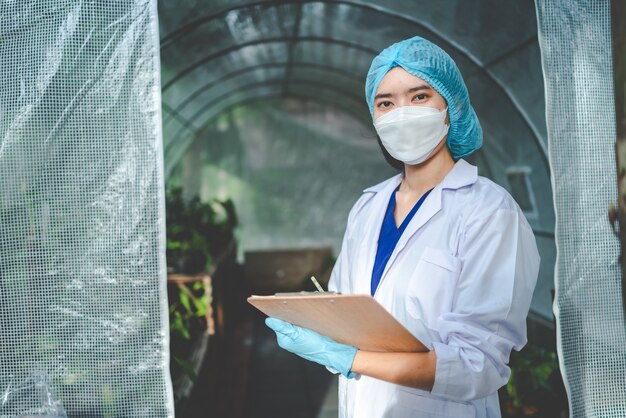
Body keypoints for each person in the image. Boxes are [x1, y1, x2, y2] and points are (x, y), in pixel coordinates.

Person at [265, 36, 540, 418]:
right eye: (386, 103)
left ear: (451, 106)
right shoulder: (368, 207)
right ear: (376, 119)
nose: (402, 113)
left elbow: (478, 365)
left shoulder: (489, 211)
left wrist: (350, 358)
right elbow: (347, 312)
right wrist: (319, 325)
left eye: (420, 96)